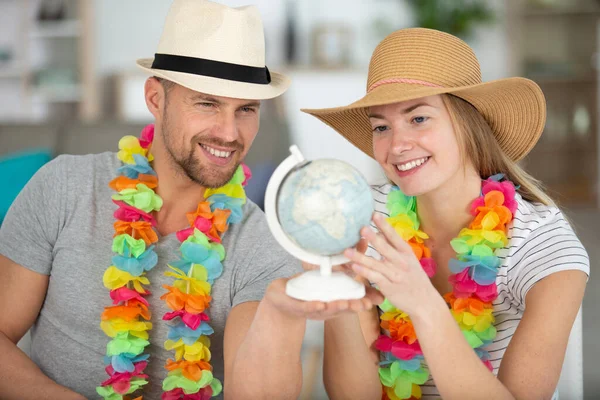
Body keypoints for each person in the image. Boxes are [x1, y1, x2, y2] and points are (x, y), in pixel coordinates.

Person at [0, 1, 381, 399]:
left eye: (246, 109)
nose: (230, 133)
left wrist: (279, 314)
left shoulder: (264, 241)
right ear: (155, 99)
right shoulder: (62, 186)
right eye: (207, 103)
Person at [302, 28, 590, 400]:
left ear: (468, 124)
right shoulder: (362, 219)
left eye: (418, 118)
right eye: (381, 127)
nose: (398, 145)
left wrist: (422, 303)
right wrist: (339, 298)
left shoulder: (545, 247)